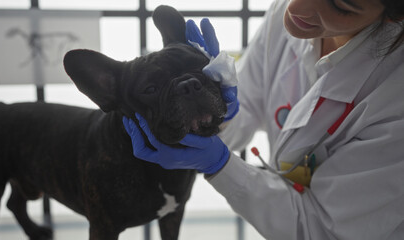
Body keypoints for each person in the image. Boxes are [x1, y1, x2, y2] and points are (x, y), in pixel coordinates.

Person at [123, 0, 404, 238]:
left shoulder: (394, 97)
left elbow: (318, 229)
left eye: (341, 6)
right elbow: (245, 106)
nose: (297, 9)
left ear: (394, 14)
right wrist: (210, 112)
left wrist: (220, 165)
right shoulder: (288, 14)